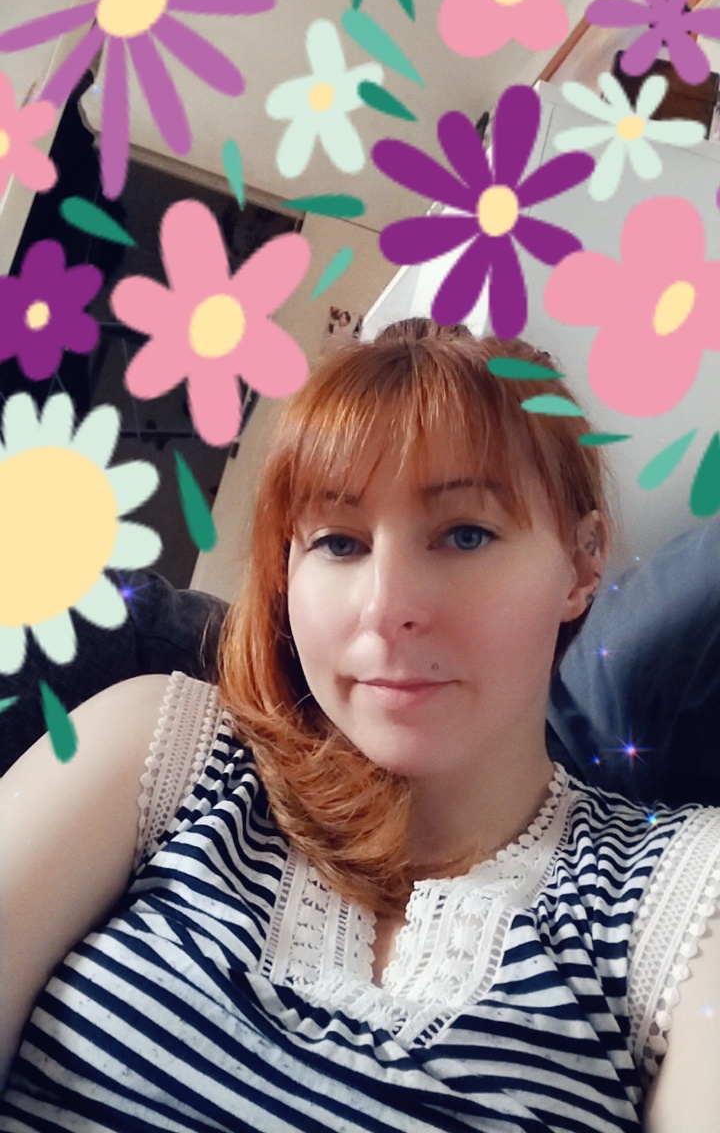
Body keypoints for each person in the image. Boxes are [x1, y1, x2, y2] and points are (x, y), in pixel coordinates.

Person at [1, 318, 719, 1133]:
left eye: (465, 535)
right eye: (339, 543)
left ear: (583, 561)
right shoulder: (156, 747)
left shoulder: (681, 903)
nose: (385, 608)